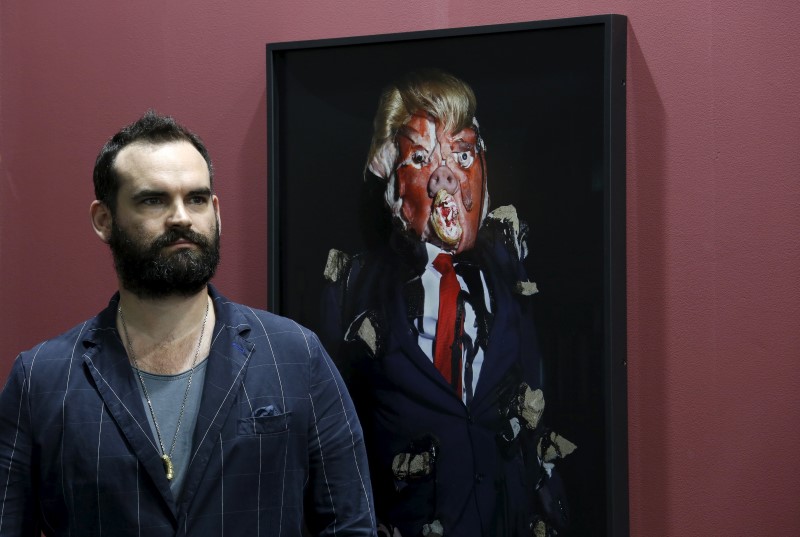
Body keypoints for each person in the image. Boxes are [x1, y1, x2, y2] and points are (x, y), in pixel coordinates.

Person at [0, 111, 376, 536]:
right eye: (153, 200)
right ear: (104, 220)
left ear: (215, 210)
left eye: (196, 199)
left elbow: (351, 525)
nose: (181, 217)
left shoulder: (295, 355)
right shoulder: (41, 380)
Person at [321, 70, 574, 536]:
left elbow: (537, 432)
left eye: (461, 154)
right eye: (420, 158)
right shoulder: (351, 290)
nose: (446, 177)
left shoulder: (513, 280)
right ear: (390, 180)